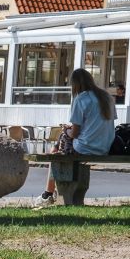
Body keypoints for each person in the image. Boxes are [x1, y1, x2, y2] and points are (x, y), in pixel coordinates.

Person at [39, 68, 116, 205]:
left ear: (75, 84)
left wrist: (66, 130)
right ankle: (49, 193)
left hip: (85, 147)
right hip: (105, 147)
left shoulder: (81, 99)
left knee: (56, 149)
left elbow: (74, 133)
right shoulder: (107, 97)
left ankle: (48, 194)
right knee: (58, 146)